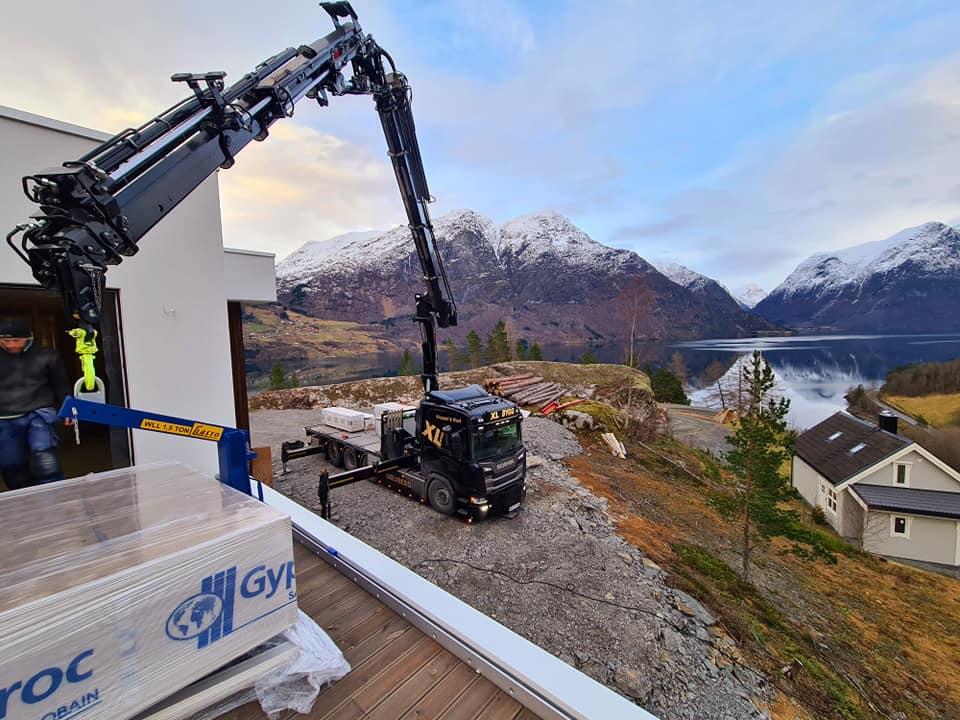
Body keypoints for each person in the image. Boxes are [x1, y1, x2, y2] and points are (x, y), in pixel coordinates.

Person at [0, 318, 72, 490]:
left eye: (16, 340)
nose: (11, 345)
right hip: (4, 417)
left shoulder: (46, 355)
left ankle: (52, 499)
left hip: (38, 412)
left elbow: (61, 385)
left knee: (43, 455)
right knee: (12, 465)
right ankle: (25, 501)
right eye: (5, 341)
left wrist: (69, 410)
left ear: (29, 338)